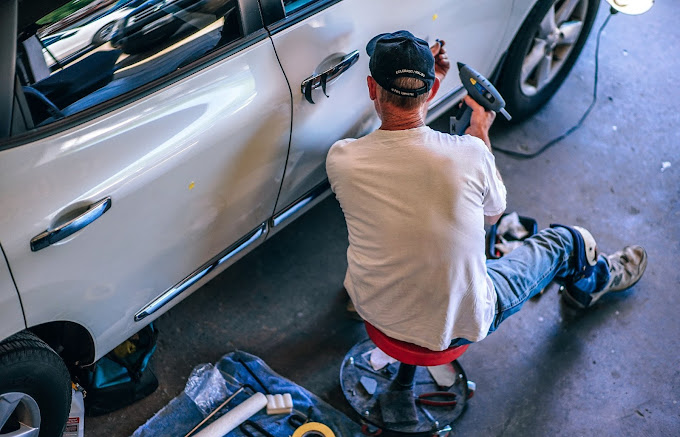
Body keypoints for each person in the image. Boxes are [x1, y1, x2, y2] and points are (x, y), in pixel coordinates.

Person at [325, 30, 648, 351]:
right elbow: (492, 217)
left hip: (374, 307)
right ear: (432, 90)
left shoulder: (342, 159)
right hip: (454, 326)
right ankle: (595, 282)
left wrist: (426, 94)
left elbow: (400, 139)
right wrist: (479, 131)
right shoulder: (470, 154)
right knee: (567, 241)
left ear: (371, 88)